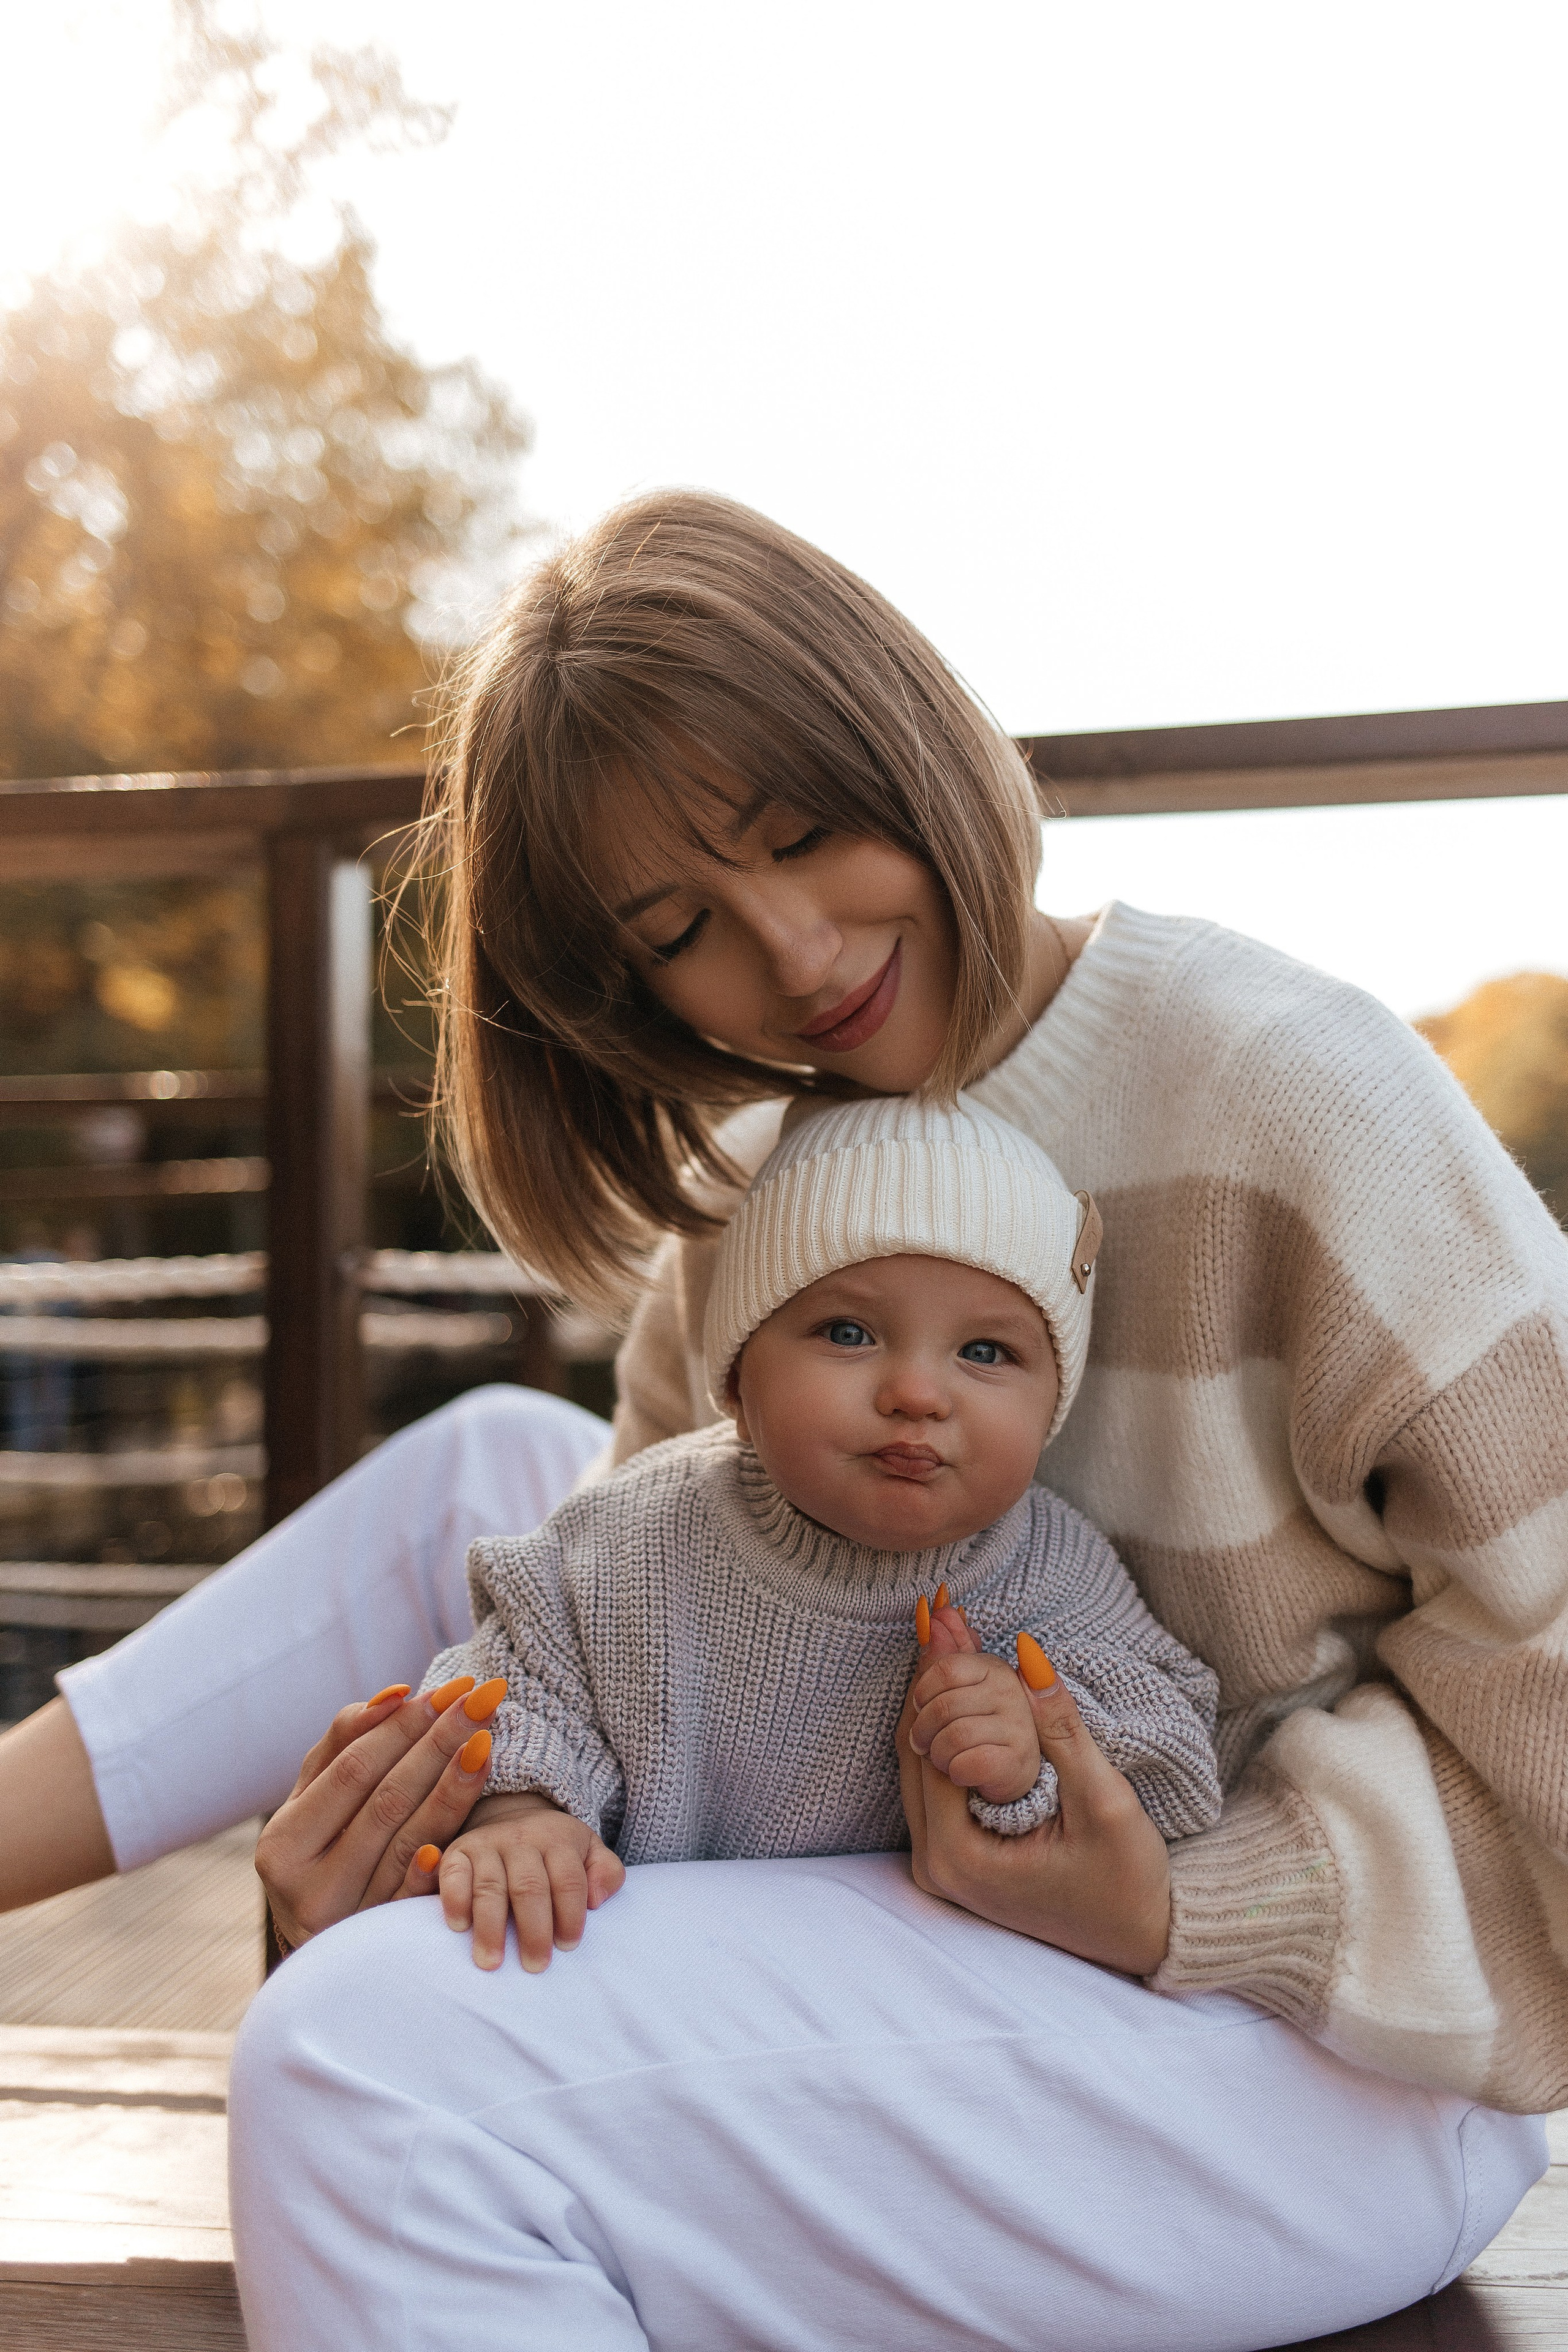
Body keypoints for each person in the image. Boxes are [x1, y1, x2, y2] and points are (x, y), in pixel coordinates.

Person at [0, 491, 1559, 2347]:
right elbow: (662, 1675)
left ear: (905, 734)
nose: (802, 954)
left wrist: (1194, 1907)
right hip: (938, 1950)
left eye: (809, 836)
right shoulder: (759, 1195)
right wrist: (445, 1851)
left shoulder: (1298, 1097)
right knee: (515, 1482)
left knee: (364, 2070)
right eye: (685, 930)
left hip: (1323, 2044)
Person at [398, 1094, 1221, 1973]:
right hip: (647, 1957)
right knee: (444, 1959)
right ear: (739, 1383)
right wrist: (522, 1812)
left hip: (914, 1983)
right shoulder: (642, 1534)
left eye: (985, 1352)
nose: (917, 1391)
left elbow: (1176, 1754)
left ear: (1053, 1403)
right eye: (849, 1332)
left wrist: (1035, 1759)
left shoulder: (1051, 1571)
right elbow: (518, 1674)